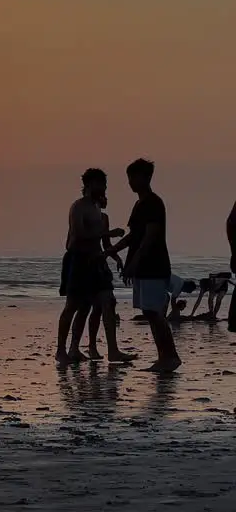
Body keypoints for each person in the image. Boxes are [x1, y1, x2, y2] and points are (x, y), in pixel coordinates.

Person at [107, 159, 180, 373]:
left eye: (134, 177)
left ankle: (170, 357)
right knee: (149, 312)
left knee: (155, 312)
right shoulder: (139, 204)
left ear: (146, 177)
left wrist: (134, 264)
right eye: (129, 177)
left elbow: (150, 238)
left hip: (153, 266)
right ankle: (164, 357)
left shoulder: (153, 203)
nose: (130, 182)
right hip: (142, 267)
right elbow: (134, 236)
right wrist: (112, 250)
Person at [56, 170, 133, 364]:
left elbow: (103, 240)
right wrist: (108, 233)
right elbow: (77, 236)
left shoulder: (97, 208)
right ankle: (63, 350)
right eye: (101, 183)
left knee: (107, 301)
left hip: (96, 261)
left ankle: (113, 350)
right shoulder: (78, 207)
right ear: (90, 184)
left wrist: (114, 256)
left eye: (105, 184)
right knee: (75, 307)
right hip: (79, 260)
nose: (104, 187)